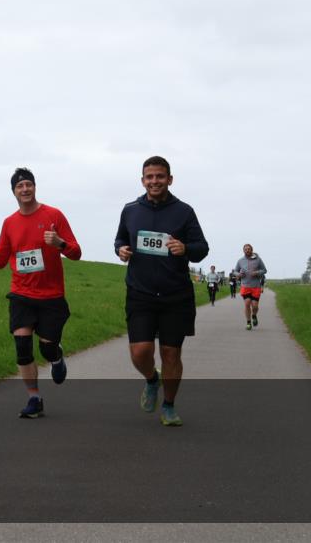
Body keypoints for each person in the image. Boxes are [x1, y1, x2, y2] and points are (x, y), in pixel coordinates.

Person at [0, 168, 82, 418]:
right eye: (20, 186)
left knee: (47, 348)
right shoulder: (9, 223)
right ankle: (34, 398)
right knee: (22, 346)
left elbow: (76, 252)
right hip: (21, 294)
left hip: (51, 296)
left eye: (28, 185)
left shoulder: (54, 215)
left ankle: (56, 357)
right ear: (13, 192)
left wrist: (60, 243)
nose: (25, 189)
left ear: (35, 188)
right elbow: (0, 260)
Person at [114, 156, 209, 427]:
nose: (154, 181)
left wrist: (186, 249)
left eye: (160, 176)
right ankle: (151, 380)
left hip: (175, 295)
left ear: (170, 179)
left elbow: (202, 247)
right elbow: (120, 238)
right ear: (142, 180)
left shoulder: (184, 212)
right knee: (140, 352)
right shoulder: (130, 210)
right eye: (149, 177)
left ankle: (168, 406)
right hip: (140, 292)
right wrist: (120, 250)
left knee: (171, 354)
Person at [234, 244, 268, 331]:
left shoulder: (258, 260)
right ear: (243, 251)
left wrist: (257, 273)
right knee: (247, 303)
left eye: (249, 249)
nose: (247, 250)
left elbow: (264, 270)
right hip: (245, 286)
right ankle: (248, 322)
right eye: (245, 249)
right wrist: (239, 274)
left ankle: (254, 315)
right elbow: (235, 271)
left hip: (256, 286)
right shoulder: (240, 261)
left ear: (252, 250)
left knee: (255, 306)